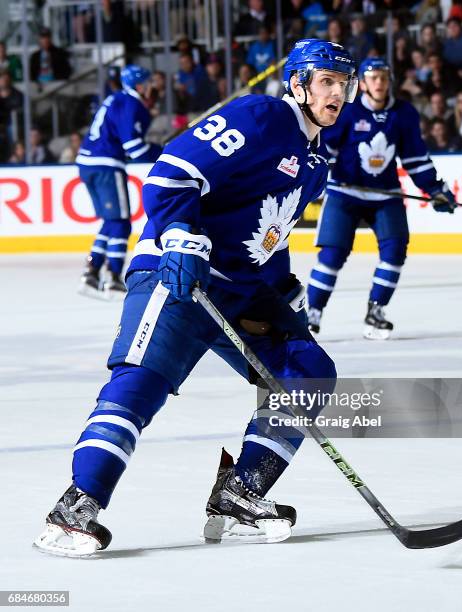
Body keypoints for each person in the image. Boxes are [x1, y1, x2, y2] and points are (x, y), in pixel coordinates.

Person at [34, 39, 359, 556]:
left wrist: (284, 289)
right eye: (327, 81)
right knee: (141, 384)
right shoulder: (262, 115)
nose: (337, 92)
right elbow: (171, 171)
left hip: (242, 292)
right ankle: (75, 508)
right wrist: (182, 234)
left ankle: (239, 495)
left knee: (308, 371)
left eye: (344, 83)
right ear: (298, 82)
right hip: (179, 275)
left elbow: (268, 232)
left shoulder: (315, 161)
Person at [307, 57, 457, 339]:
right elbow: (326, 150)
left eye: (383, 77)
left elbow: (415, 158)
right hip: (345, 191)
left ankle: (376, 310)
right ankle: (312, 312)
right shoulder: (347, 111)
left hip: (385, 194)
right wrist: (315, 177)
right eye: (373, 78)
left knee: (395, 251)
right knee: (332, 254)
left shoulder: (404, 114)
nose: (379, 82)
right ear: (362, 83)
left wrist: (434, 188)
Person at [76, 64, 161, 300]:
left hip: (88, 163)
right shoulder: (132, 104)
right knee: (122, 223)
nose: (152, 87)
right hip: (106, 165)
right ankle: (113, 277)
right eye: (148, 82)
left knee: (111, 222)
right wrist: (161, 151)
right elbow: (134, 148)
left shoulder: (117, 99)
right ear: (139, 85)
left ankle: (91, 272)